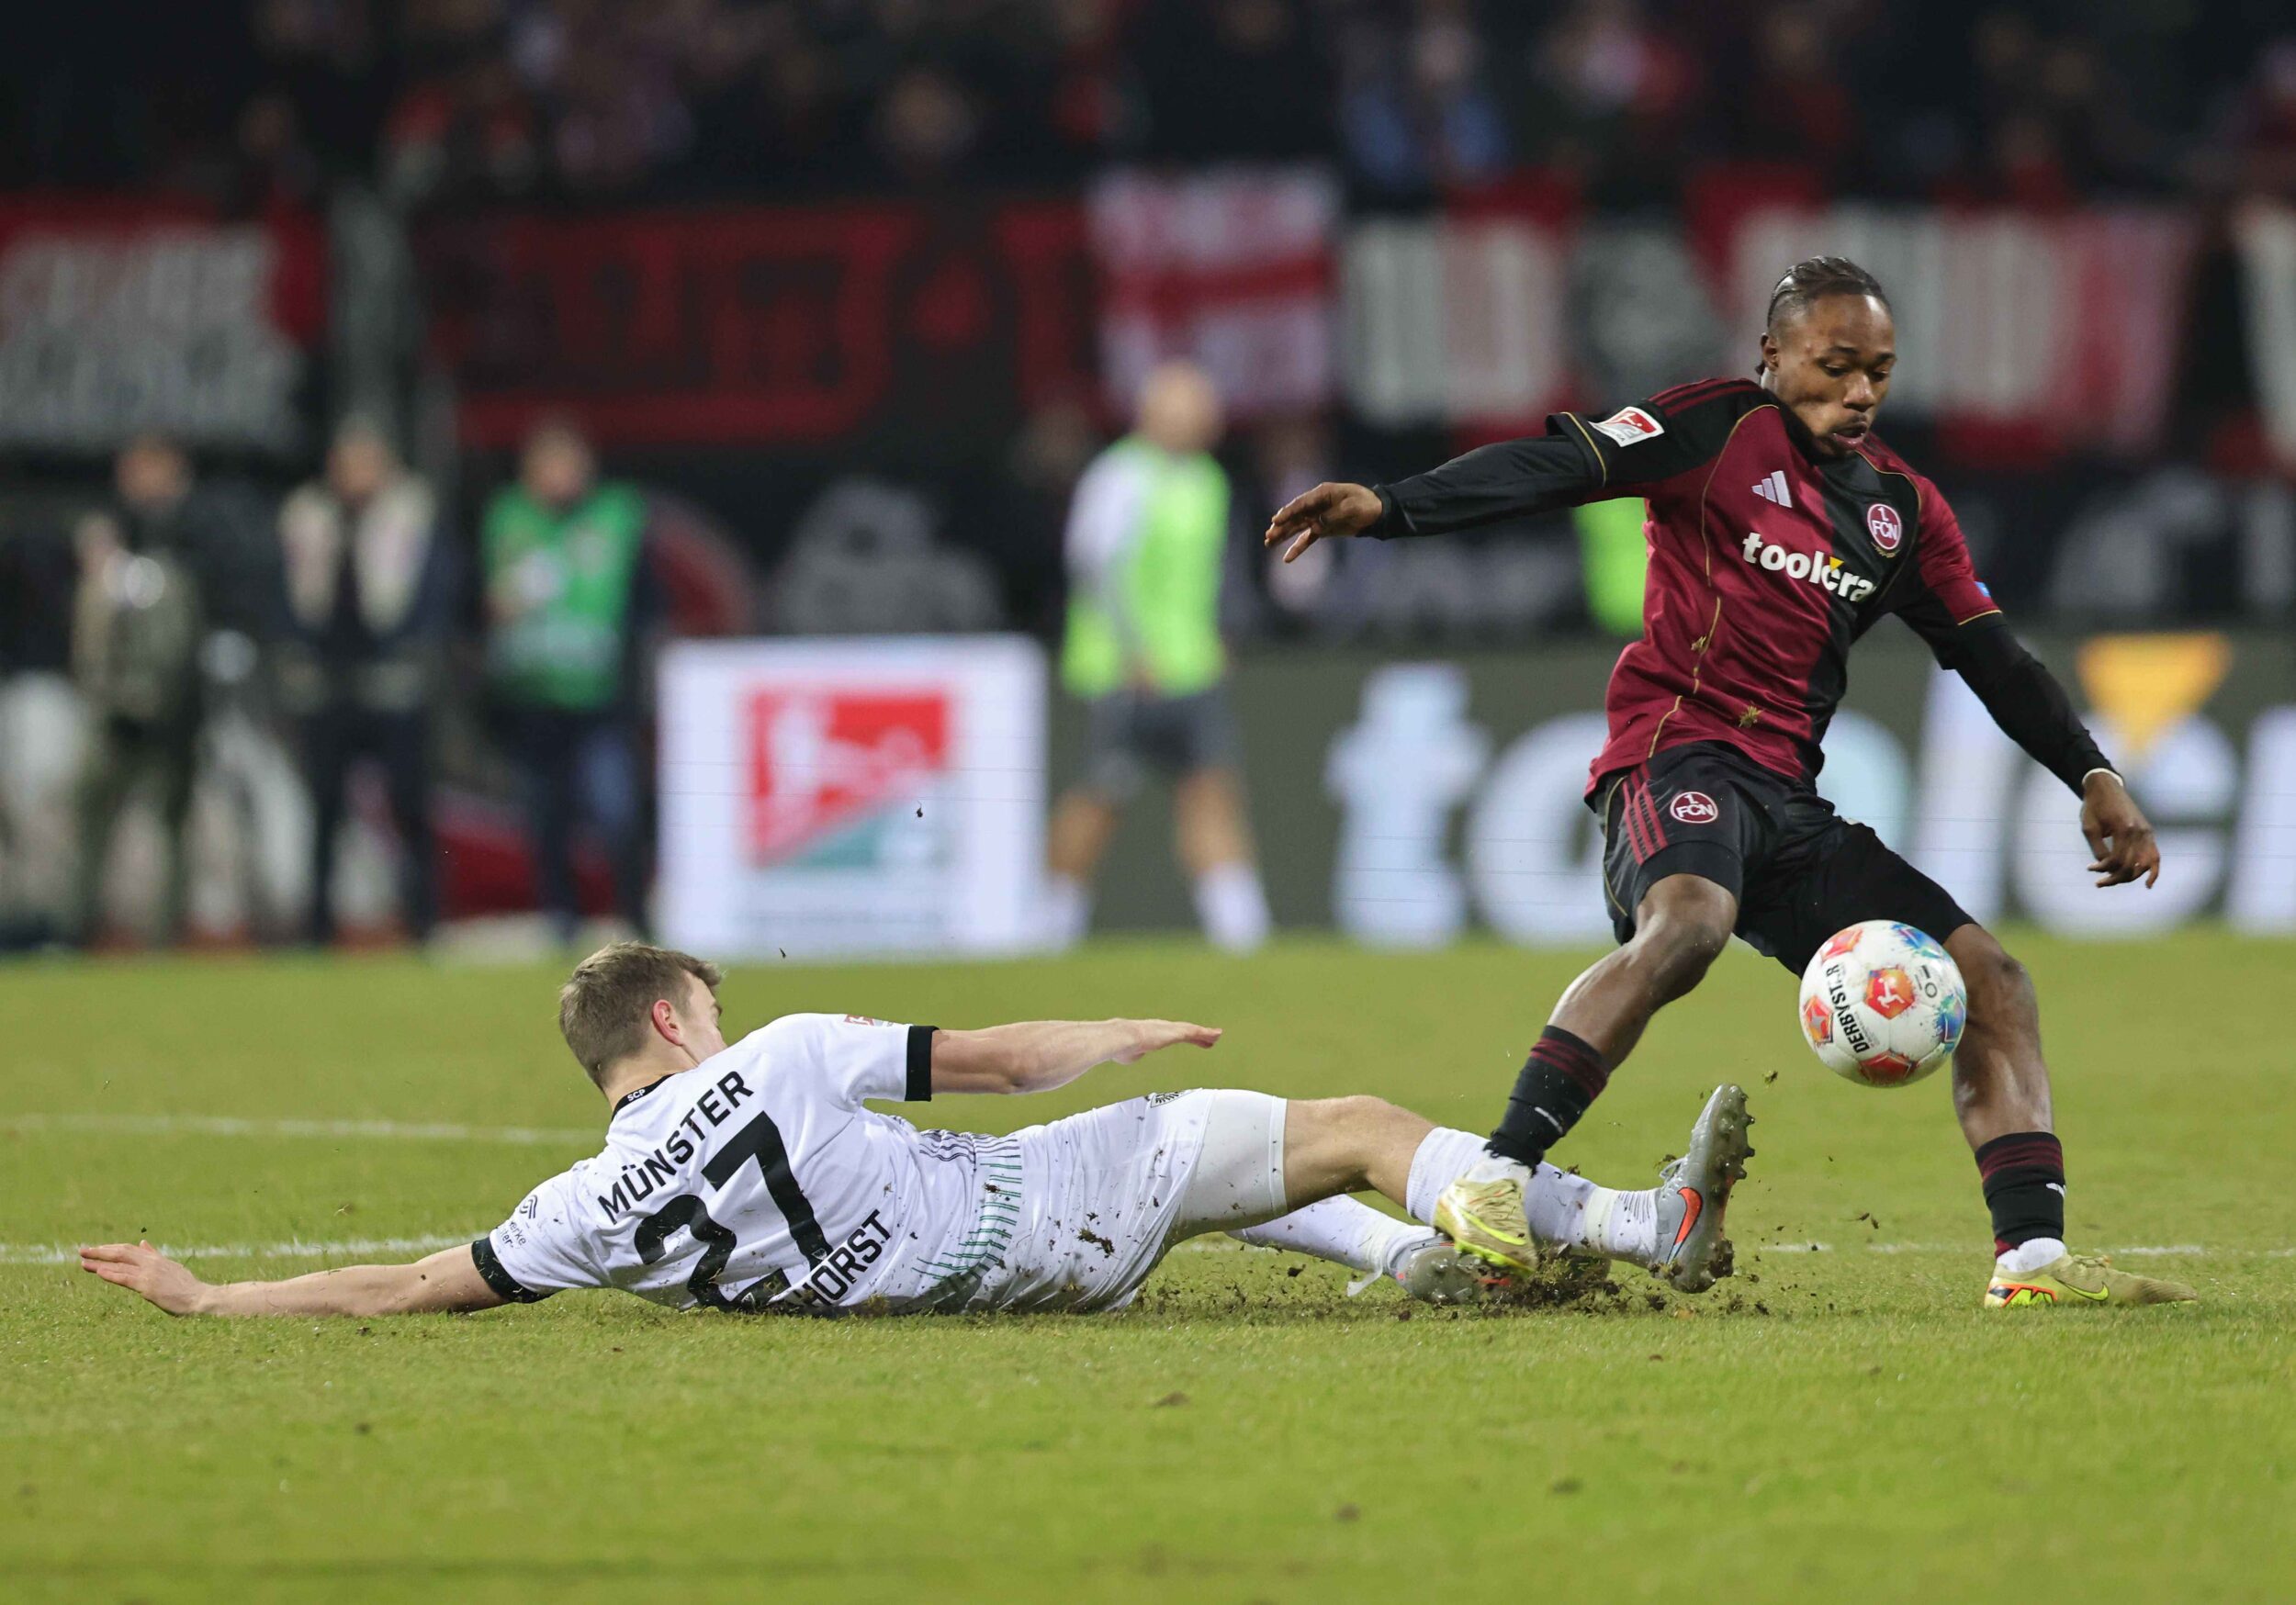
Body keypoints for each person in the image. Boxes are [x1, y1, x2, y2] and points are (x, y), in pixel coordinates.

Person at [1265, 255, 2195, 1311]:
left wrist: (2090, 770)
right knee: (1690, 923)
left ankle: (2029, 1259)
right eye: (1834, 366)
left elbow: (1992, 656)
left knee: (1994, 980)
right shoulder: (1714, 428)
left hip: (1786, 802)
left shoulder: (1900, 509)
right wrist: (1389, 506)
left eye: (1878, 372)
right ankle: (1493, 1176)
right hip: (1674, 752)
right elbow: (1557, 465)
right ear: (1773, 355)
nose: (1858, 392)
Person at [78, 941, 1755, 1320]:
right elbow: (1003, 1063)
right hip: (1045, 1192)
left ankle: (1412, 1261)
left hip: (984, 1285)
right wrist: (1121, 1027)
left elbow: (406, 1284)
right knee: (1361, 1120)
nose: (721, 1014)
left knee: (1238, 1178)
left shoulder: (578, 1209)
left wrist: (210, 1297)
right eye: (706, 999)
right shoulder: (785, 1055)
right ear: (670, 1019)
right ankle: (1629, 1225)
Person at [1044, 361, 1271, 952]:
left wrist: (1220, 635)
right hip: (1124, 674)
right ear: (1152, 412)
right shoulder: (1120, 476)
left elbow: (1213, 572)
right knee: (1100, 798)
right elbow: (1094, 566)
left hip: (1192, 670)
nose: (1203, 418)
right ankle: (1050, 925)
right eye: (1187, 406)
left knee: (1211, 789)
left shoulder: (1208, 480)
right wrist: (1131, 650)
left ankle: (1240, 931)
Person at [277, 418, 452, 945]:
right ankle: (317, 927)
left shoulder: (411, 514)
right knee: (324, 809)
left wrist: (414, 650)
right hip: (328, 683)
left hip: (393, 681)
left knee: (409, 803)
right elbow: (286, 593)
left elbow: (436, 590)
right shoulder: (307, 516)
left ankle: (424, 919)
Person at [482, 417, 653, 943]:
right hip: (532, 697)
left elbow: (647, 603)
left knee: (616, 809)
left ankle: (636, 916)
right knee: (545, 816)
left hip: (600, 698)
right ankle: (562, 920)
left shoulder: (616, 517)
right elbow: (481, 603)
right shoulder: (509, 519)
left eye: (567, 465)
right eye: (548, 466)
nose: (558, 476)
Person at [67, 437, 209, 947]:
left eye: (155, 469)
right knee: (92, 814)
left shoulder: (198, 532)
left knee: (172, 824)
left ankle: (167, 936)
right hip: (112, 708)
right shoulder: (105, 531)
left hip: (177, 711)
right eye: (135, 469)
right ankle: (78, 929)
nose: (143, 481)